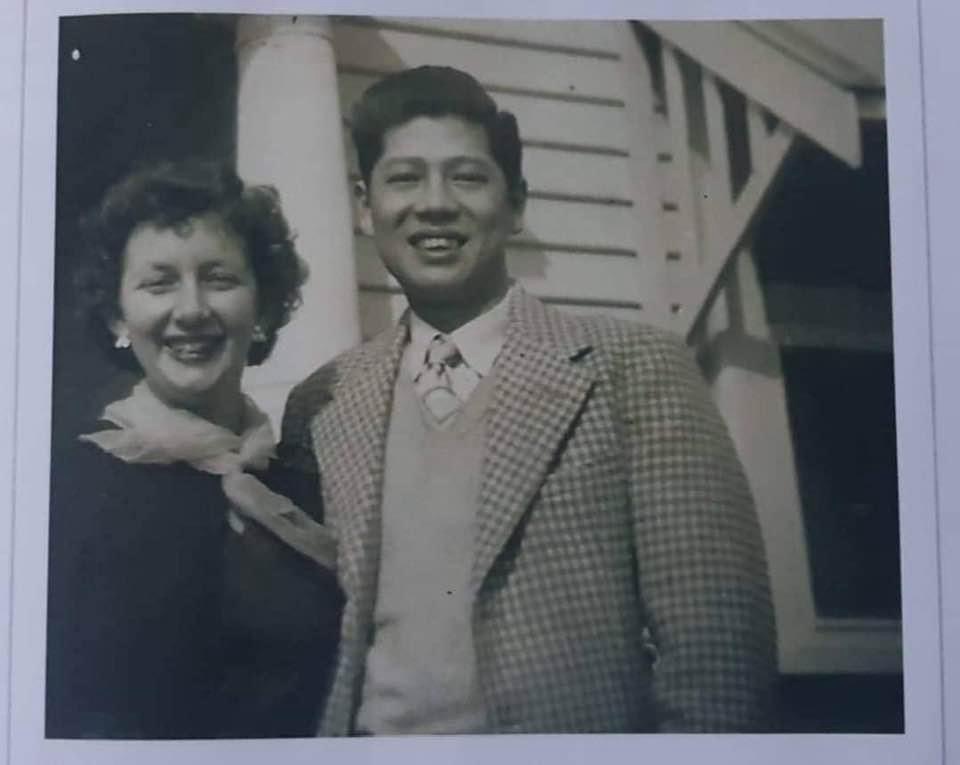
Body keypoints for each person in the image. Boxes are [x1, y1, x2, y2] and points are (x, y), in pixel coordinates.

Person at [281, 66, 777, 735]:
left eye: (467, 177)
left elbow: (718, 652)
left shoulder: (631, 369)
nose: (435, 204)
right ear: (366, 207)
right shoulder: (325, 402)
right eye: (405, 179)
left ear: (514, 204)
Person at [46, 160, 342, 739]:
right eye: (159, 283)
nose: (191, 310)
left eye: (219, 279)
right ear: (118, 315)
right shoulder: (63, 493)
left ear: (263, 307)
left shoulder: (301, 485)